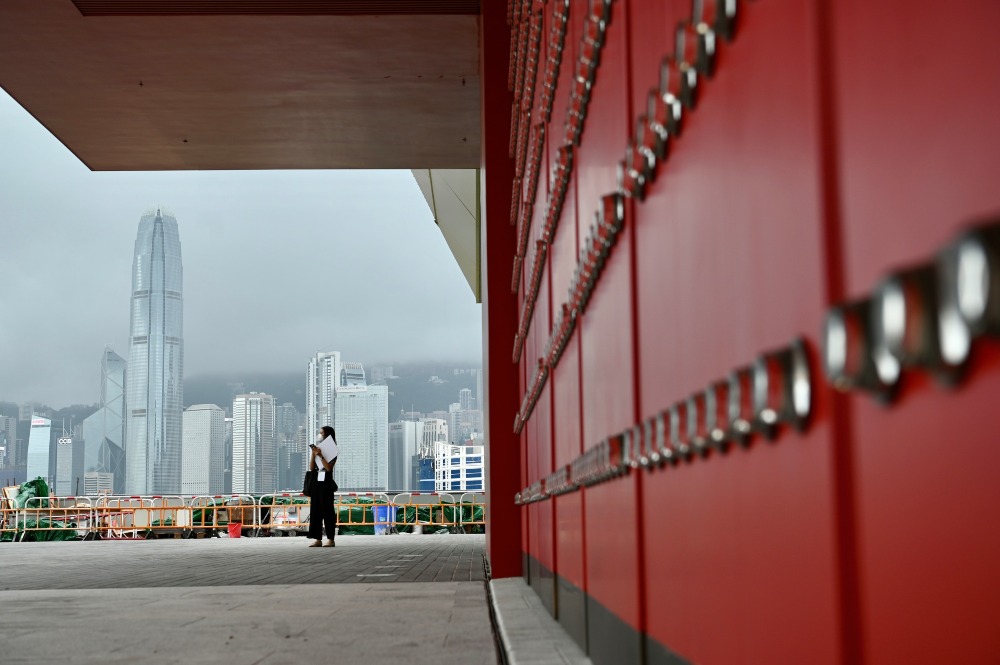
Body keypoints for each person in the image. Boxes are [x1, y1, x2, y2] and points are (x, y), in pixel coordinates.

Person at [307, 425, 339, 547]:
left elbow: (329, 468)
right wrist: (313, 454)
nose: (320, 436)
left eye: (322, 434)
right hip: (316, 481)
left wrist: (320, 455)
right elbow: (311, 468)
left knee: (327, 511)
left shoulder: (333, 450)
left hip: (326, 482)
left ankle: (331, 538)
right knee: (315, 511)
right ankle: (317, 538)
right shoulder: (318, 449)